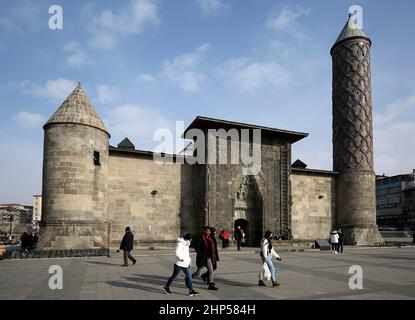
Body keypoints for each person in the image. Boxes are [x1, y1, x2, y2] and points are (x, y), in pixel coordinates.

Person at [193, 226, 219, 290]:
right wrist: (201, 255)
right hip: (202, 257)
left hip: (208, 257)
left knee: (211, 270)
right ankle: (188, 278)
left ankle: (211, 284)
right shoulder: (201, 237)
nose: (208, 232)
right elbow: (197, 248)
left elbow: (213, 248)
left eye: (209, 231)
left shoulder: (210, 238)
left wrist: (214, 256)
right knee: (198, 272)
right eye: (207, 230)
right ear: (205, 231)